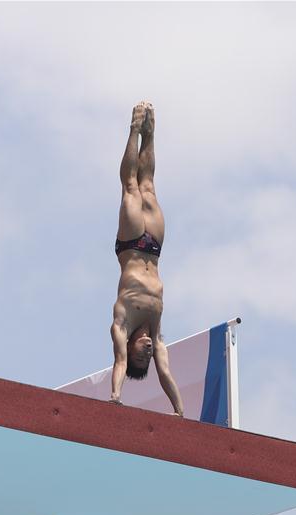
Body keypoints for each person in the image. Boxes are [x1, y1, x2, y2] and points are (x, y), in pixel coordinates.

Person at [110, 101, 184, 417]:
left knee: (131, 187)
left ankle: (133, 129)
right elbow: (165, 372)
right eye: (147, 357)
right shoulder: (156, 332)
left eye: (141, 355)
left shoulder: (122, 324)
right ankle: (150, 134)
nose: (148, 351)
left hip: (130, 245)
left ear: (129, 347)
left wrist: (116, 396)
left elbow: (119, 363)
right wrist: (179, 410)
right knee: (148, 188)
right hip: (153, 248)